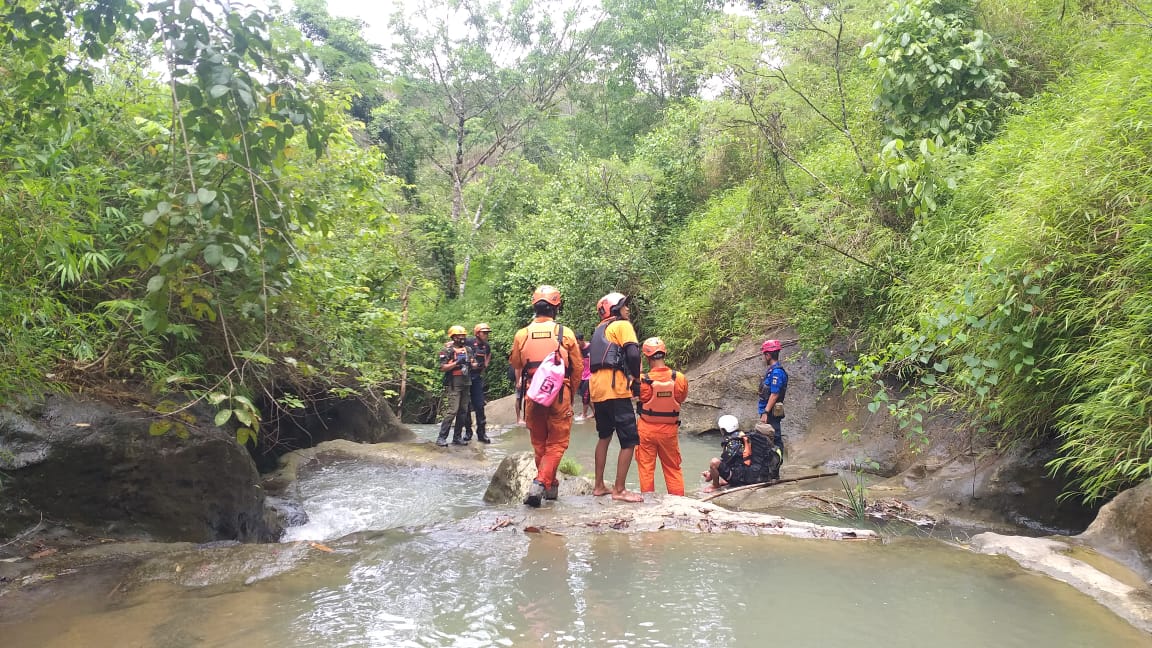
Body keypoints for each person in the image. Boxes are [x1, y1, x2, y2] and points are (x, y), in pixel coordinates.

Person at [509, 285, 584, 507]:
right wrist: (571, 394)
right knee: (557, 444)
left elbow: (516, 363)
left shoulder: (522, 334)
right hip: (560, 395)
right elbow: (578, 368)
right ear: (556, 308)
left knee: (540, 443)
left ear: (535, 307)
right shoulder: (566, 333)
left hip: (533, 395)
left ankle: (550, 488)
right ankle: (541, 483)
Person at [588, 292, 644, 503]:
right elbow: (633, 354)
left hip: (597, 390)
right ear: (614, 309)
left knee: (604, 436)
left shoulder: (598, 330)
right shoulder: (622, 325)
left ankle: (599, 485)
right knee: (629, 440)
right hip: (616, 388)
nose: (627, 309)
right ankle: (619, 490)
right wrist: (637, 381)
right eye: (624, 306)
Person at [635, 337, 689, 496]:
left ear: (647, 357)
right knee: (673, 468)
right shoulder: (679, 378)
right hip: (669, 432)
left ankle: (649, 502)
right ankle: (679, 504)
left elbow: (634, 394)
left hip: (646, 431)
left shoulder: (642, 380)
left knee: (646, 468)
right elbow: (681, 398)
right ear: (664, 354)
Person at [701, 414, 781, 493]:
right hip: (763, 477)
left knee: (714, 462)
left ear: (723, 430)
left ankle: (715, 486)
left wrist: (711, 474)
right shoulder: (774, 449)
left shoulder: (735, 442)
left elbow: (723, 462)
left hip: (746, 478)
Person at [436, 325, 476, 446]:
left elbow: (473, 363)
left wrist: (473, 364)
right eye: (459, 336)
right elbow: (442, 367)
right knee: (452, 410)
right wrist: (457, 362)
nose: (462, 338)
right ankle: (441, 438)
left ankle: (457, 437)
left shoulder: (468, 349)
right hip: (454, 382)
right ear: (453, 337)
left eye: (463, 335)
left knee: (463, 410)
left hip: (466, 382)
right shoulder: (447, 351)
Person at [462, 323, 492, 444]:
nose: (486, 335)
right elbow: (454, 345)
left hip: (477, 378)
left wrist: (483, 365)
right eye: (484, 333)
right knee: (466, 405)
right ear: (477, 333)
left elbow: (487, 358)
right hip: (465, 377)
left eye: (487, 333)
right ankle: (468, 432)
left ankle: (481, 433)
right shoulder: (468, 341)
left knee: (479, 405)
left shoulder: (486, 346)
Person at [757, 339, 789, 453]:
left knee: (775, 438)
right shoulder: (771, 370)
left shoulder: (776, 372)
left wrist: (765, 412)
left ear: (768, 355)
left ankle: (777, 465)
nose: (763, 358)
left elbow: (774, 394)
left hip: (770, 412)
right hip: (767, 410)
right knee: (766, 439)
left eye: (764, 355)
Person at [575, 331, 592, 421]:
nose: (577, 344)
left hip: (591, 375)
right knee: (583, 394)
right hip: (582, 375)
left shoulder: (591, 347)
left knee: (585, 394)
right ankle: (595, 412)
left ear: (581, 340)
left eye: (577, 342)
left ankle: (584, 414)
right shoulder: (577, 349)